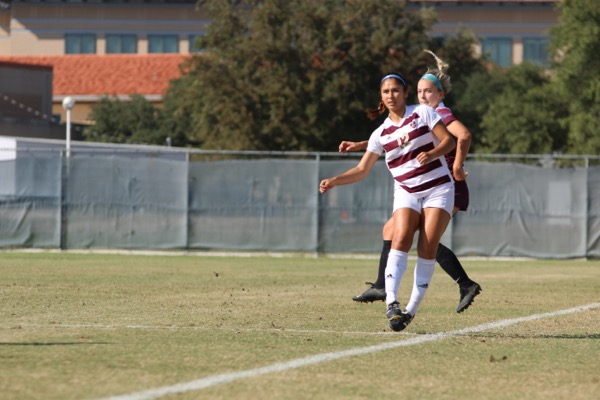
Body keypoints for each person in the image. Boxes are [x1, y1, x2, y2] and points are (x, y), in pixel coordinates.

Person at [340, 51, 482, 313]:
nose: (423, 96)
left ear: (440, 94)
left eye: (428, 91)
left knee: (426, 240)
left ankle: (464, 283)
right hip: (426, 182)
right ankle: (384, 285)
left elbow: (463, 136)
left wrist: (457, 166)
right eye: (419, 91)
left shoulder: (438, 111)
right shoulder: (421, 113)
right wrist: (362, 144)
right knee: (391, 231)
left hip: (444, 182)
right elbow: (399, 138)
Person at [320, 71, 456, 331]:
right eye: (386, 92)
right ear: (381, 96)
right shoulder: (380, 134)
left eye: (396, 90)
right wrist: (334, 180)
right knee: (401, 236)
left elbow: (449, 141)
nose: (391, 95)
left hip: (438, 188)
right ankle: (392, 304)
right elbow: (361, 170)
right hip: (407, 190)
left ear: (405, 93)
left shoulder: (423, 113)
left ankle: (410, 311)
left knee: (427, 247)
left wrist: (433, 152)